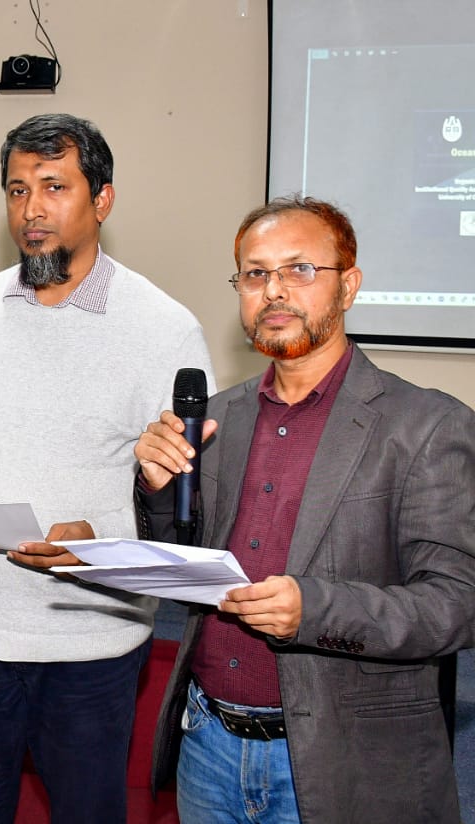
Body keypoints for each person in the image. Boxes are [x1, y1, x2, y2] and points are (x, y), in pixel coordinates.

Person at [0, 113, 214, 823]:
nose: (31, 209)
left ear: (103, 200)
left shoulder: (165, 329)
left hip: (91, 646)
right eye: (17, 189)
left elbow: (187, 505)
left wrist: (101, 536)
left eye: (54, 187)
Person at [135, 197, 475, 823]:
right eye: (255, 274)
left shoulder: (427, 426)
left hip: (345, 758)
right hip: (207, 743)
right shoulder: (218, 418)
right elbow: (186, 570)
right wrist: (160, 490)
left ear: (349, 285)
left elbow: (457, 605)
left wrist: (314, 610)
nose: (274, 291)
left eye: (299, 270)